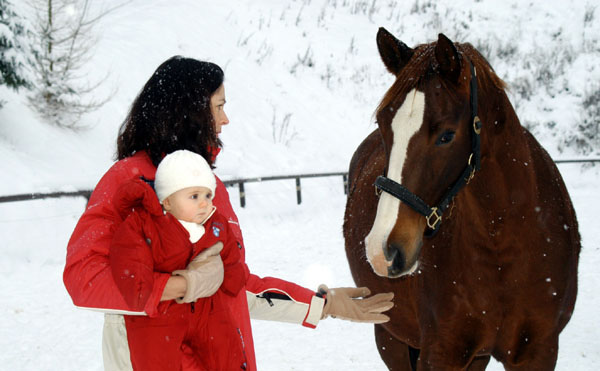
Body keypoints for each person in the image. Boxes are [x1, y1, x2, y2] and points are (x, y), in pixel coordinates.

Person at [63, 56, 394, 371]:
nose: (225, 119)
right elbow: (85, 279)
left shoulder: (211, 188)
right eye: (218, 106)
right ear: (189, 112)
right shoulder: (129, 180)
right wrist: (182, 285)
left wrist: (324, 304)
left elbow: (231, 286)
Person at [109, 149, 247, 370]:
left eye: (207, 195)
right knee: (156, 359)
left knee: (225, 353)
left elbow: (231, 257)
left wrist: (233, 277)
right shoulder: (144, 226)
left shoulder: (216, 224)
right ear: (168, 201)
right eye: (194, 196)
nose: (204, 203)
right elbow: (130, 264)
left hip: (207, 309)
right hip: (159, 317)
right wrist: (140, 286)